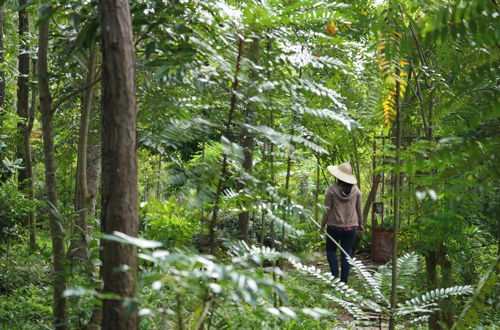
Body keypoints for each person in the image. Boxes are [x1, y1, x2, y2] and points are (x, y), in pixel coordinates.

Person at [320, 162, 364, 283]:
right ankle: (344, 281)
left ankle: (335, 277)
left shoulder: (331, 190)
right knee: (347, 253)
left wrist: (323, 225)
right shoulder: (356, 190)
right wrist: (361, 224)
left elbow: (327, 210)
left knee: (331, 250)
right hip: (351, 228)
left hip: (334, 227)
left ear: (338, 176)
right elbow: (359, 209)